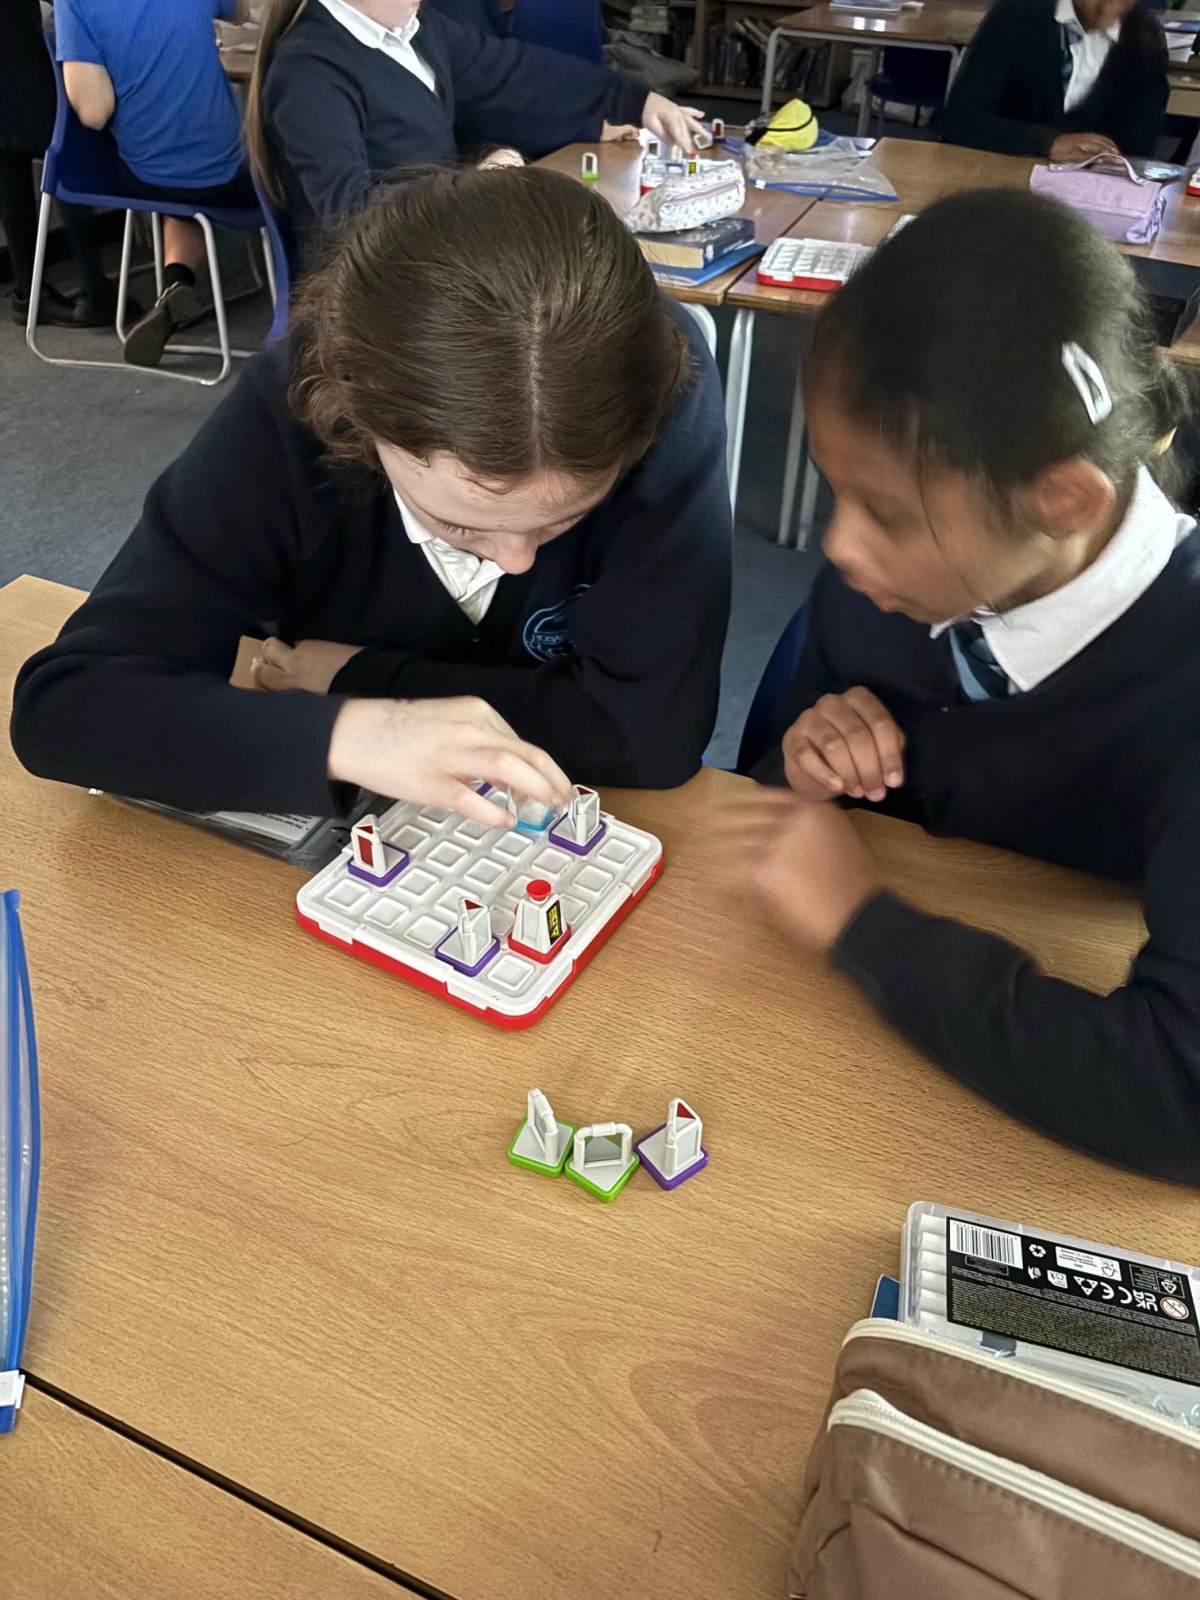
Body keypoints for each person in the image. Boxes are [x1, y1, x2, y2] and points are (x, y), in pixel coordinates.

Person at [11, 166, 731, 828]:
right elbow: (68, 708)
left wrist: (357, 679)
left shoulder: (661, 391)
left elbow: (651, 737)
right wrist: (349, 735)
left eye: (564, 519)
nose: (516, 562)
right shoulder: (293, 403)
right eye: (456, 523)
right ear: (354, 416)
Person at [735, 189, 1200, 1185]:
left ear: (1064, 499)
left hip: (1021, 1150)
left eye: (886, 513)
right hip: (831, 1081)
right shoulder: (885, 586)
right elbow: (770, 800)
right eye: (835, 490)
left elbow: (1179, 1097)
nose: (837, 545)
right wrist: (807, 762)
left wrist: (867, 927)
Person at [244, 0, 706, 249]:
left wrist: (636, 101)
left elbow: (515, 74)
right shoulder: (309, 72)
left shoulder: (419, 30)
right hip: (377, 295)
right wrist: (467, 185)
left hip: (440, 250)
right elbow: (348, 213)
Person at [55, 0, 260, 368]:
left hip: (146, 177)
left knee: (181, 203)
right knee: (266, 161)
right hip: (226, 174)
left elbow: (94, 111)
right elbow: (241, 13)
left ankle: (176, 284)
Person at [0, 0, 120, 327]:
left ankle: (30, 292)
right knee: (66, 150)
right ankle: (95, 289)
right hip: (16, 48)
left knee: (10, 166)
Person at [941, 0, 1168, 160]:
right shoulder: (1018, 13)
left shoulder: (1144, 37)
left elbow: (1139, 148)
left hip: (1088, 188)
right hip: (1001, 170)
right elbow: (961, 119)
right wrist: (1046, 143)